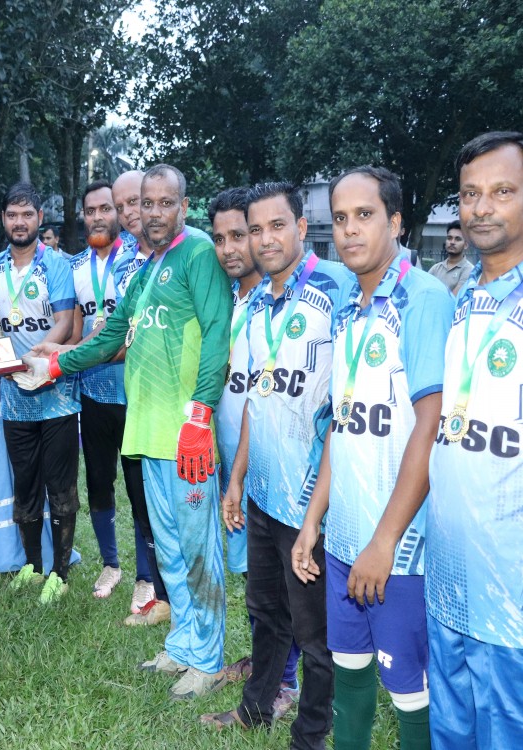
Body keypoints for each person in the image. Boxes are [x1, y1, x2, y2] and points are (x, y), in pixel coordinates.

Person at [21, 164, 233, 700]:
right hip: (144, 432)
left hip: (186, 436)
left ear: (184, 206)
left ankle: (208, 658)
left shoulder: (200, 253)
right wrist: (56, 365)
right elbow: (111, 335)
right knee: (168, 547)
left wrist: (200, 414)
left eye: (166, 203)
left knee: (197, 547)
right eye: (147, 203)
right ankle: (183, 645)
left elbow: (217, 337)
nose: (155, 213)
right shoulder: (145, 269)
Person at [290, 166, 452, 750]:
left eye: (365, 215)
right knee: (350, 673)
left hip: (399, 548)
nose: (350, 230)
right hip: (343, 540)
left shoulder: (424, 299)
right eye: (340, 218)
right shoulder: (347, 309)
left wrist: (383, 543)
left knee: (410, 693)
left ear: (397, 222)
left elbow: (431, 427)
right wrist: (313, 520)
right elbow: (343, 422)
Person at [202, 182, 352, 749]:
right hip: (263, 490)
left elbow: (344, 410)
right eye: (255, 228)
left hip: (311, 496)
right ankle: (256, 709)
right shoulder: (259, 301)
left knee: (315, 632)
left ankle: (312, 732)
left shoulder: (334, 291)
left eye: (276, 226)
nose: (265, 239)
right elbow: (255, 402)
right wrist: (236, 480)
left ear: (301, 226)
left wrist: (316, 511)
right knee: (266, 611)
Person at [426, 131, 523, 747]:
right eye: (470, 194)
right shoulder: (466, 300)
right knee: (451, 726)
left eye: (503, 192)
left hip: (512, 597)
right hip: (449, 573)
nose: (482, 207)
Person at [209, 186, 302, 717]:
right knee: (254, 575)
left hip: (279, 465)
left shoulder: (281, 298)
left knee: (281, 581)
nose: (230, 249)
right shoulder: (236, 299)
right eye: (221, 238)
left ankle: (284, 681)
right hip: (238, 457)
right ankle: (264, 662)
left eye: (239, 235)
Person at [0, 182, 80, 604]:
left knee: (59, 483)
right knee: (24, 482)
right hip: (11, 391)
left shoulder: (56, 265)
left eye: (27, 214)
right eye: (12, 215)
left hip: (55, 389)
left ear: (39, 219)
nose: (20, 222)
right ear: (4, 220)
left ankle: (60, 573)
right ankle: (32, 565)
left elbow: (65, 322)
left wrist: (38, 358)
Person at [68, 179, 153, 606]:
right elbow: (77, 326)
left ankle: (144, 575)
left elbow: (129, 329)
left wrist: (74, 353)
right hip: (94, 392)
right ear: (83, 216)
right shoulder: (75, 266)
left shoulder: (138, 259)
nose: (100, 216)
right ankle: (110, 563)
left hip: (136, 393)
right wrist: (66, 353)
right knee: (99, 482)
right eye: (93, 210)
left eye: (109, 208)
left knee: (139, 487)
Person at [110, 169, 172, 627]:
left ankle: (172, 592)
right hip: (137, 402)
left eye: (141, 201)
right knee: (140, 496)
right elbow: (118, 332)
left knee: (176, 512)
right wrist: (68, 355)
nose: (133, 212)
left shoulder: (192, 257)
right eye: (125, 205)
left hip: (180, 410)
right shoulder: (124, 265)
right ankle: (151, 583)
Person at [427, 220, 473, 295]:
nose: (452, 242)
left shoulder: (469, 270)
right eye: (449, 238)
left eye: (457, 239)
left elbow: (454, 298)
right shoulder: (436, 268)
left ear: (466, 245)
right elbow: (425, 290)